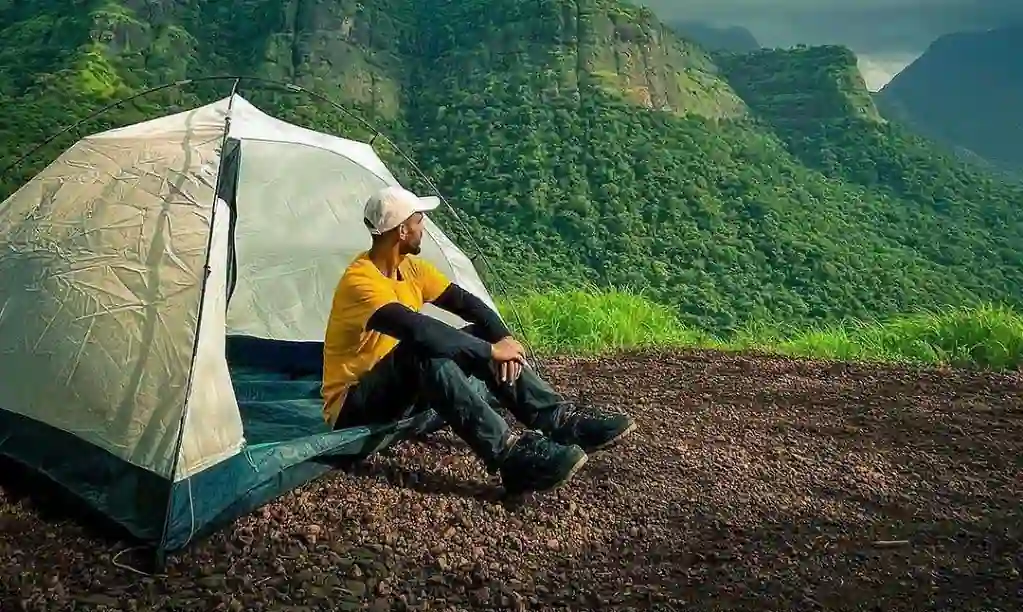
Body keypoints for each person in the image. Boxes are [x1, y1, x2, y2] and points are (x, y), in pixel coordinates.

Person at [321, 185, 637, 494]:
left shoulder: (411, 269)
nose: (424, 227)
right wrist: (490, 351)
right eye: (419, 221)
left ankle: (560, 421)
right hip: (355, 405)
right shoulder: (360, 282)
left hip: (403, 390)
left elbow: (469, 305)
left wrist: (504, 340)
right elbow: (419, 330)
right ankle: (509, 457)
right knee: (422, 350)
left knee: (477, 334)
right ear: (402, 231)